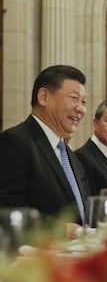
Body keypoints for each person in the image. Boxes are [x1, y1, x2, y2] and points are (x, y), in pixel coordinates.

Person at [0, 65, 90, 225]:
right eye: (74, 98)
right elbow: (7, 210)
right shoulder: (15, 142)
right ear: (44, 97)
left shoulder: (67, 152)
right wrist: (59, 230)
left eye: (83, 102)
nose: (81, 109)